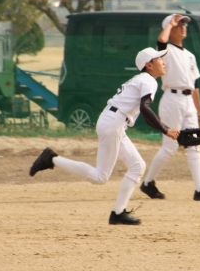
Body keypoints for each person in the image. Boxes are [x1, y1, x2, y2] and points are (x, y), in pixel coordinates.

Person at [29, 47, 180, 225]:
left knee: (138, 166)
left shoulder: (142, 79)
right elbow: (145, 108)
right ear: (149, 65)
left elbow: (144, 112)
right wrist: (165, 129)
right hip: (114, 123)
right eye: (159, 59)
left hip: (114, 121)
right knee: (100, 177)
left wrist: (164, 128)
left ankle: (118, 213)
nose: (163, 62)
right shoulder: (148, 80)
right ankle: (52, 159)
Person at [140, 13, 200, 202]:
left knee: (195, 144)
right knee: (170, 146)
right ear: (170, 29)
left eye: (184, 24)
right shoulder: (166, 51)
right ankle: (148, 183)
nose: (184, 27)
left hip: (188, 102)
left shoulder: (190, 55)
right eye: (179, 24)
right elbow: (161, 41)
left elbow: (195, 86)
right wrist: (170, 24)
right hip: (172, 100)